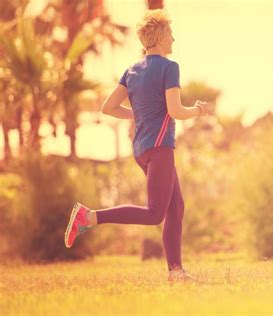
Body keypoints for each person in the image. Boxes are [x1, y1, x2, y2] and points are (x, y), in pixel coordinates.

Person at [64, 9, 208, 283]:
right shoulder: (169, 67)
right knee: (156, 213)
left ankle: (175, 272)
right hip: (160, 147)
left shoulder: (132, 70)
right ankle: (89, 217)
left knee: (175, 206)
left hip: (142, 149)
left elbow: (109, 107)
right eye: (171, 33)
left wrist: (137, 114)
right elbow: (175, 111)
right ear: (162, 36)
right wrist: (198, 111)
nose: (174, 39)